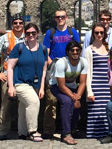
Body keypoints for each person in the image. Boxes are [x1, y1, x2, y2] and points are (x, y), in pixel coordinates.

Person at [42, 9, 80, 139]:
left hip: (69, 71)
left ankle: (71, 128)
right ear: (55, 19)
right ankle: (48, 130)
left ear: (66, 17)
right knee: (51, 101)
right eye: (58, 17)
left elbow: (77, 49)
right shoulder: (50, 33)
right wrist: (53, 64)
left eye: (62, 17)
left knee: (71, 100)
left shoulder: (72, 32)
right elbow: (46, 51)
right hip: (53, 70)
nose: (60, 19)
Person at [7, 23, 48, 142]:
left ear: (38, 34)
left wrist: (41, 88)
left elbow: (44, 70)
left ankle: (22, 132)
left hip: (35, 84)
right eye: (28, 33)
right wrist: (11, 86)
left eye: (33, 33)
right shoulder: (19, 47)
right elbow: (10, 67)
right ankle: (33, 131)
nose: (31, 35)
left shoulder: (43, 49)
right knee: (33, 102)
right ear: (25, 34)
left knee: (24, 106)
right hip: (20, 82)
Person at [0, 13, 25, 140]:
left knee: (24, 103)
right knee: (6, 105)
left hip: (23, 76)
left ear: (23, 24)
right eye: (15, 23)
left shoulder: (28, 37)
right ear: (12, 24)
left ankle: (23, 131)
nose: (18, 25)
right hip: (6, 75)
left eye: (20, 23)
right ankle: (4, 131)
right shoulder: (4, 38)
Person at [49, 40, 88, 145]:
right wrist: (74, 97)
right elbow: (61, 86)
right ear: (67, 52)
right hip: (56, 86)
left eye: (77, 50)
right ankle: (66, 133)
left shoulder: (83, 62)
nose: (75, 52)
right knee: (67, 101)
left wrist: (78, 97)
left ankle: (72, 129)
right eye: (72, 50)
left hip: (72, 87)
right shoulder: (61, 63)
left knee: (77, 105)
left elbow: (83, 82)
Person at [83, 23, 111, 138]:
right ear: (93, 34)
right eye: (96, 33)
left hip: (107, 85)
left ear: (104, 34)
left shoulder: (108, 48)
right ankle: (95, 134)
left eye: (101, 32)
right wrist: (89, 91)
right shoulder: (89, 50)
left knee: (107, 110)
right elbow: (87, 72)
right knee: (96, 111)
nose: (99, 35)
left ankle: (108, 133)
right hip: (95, 84)